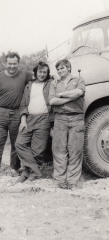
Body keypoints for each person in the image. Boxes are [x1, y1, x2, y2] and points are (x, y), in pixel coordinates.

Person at [0, 52, 33, 182]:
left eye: (14, 64)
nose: (12, 66)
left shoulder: (25, 75)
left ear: (18, 63)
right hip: (0, 112)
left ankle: (14, 167)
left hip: (17, 113)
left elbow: (41, 75)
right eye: (9, 64)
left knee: (16, 142)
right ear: (5, 63)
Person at [49, 59, 85, 189]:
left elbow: (79, 92)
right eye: (58, 69)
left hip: (76, 118)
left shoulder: (78, 79)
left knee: (75, 150)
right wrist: (70, 98)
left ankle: (73, 182)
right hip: (60, 119)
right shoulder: (54, 83)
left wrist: (61, 95)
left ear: (69, 68)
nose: (60, 71)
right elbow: (52, 101)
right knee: (59, 150)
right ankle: (60, 181)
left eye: (62, 68)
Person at [15, 62, 53, 183]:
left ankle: (27, 173)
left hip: (44, 119)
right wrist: (23, 120)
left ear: (47, 74)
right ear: (35, 72)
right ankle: (35, 171)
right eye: (40, 72)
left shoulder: (50, 84)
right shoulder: (29, 85)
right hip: (29, 118)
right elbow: (23, 105)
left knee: (38, 151)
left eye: (44, 72)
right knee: (19, 144)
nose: (42, 74)